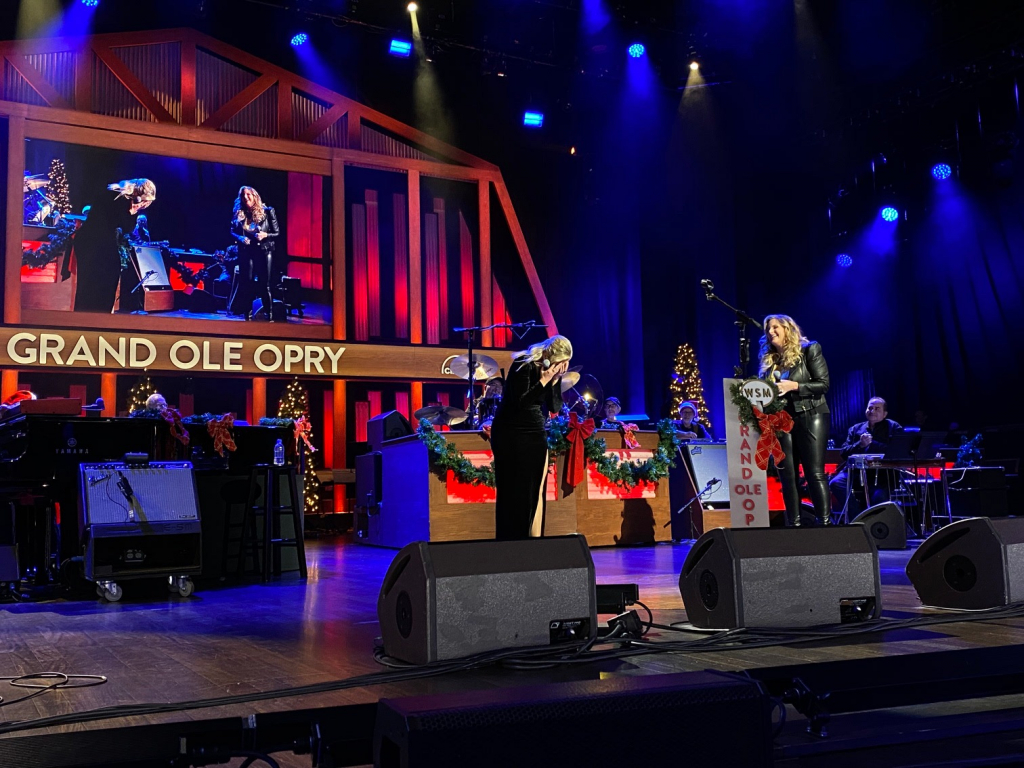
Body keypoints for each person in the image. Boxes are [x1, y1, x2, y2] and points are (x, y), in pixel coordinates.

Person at [490, 335, 572, 540]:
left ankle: (533, 538)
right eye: (560, 362)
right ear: (550, 356)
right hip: (510, 432)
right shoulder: (523, 364)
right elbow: (521, 402)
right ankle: (511, 539)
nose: (562, 367)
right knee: (513, 490)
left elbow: (554, 406)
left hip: (534, 432)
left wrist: (554, 380)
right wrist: (543, 380)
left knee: (534, 488)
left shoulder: (551, 373)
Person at [759, 314, 830, 526]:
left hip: (811, 414)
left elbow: (823, 384)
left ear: (787, 328)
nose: (770, 331)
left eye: (775, 327)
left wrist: (795, 386)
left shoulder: (809, 349)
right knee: (787, 475)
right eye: (768, 329)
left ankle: (824, 524)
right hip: (781, 420)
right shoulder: (770, 361)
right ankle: (794, 525)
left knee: (813, 473)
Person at [74, 178, 156, 313]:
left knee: (88, 284)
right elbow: (126, 227)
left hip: (90, 240)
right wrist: (133, 211)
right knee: (103, 281)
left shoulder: (114, 194)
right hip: (98, 242)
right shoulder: (122, 200)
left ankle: (85, 316)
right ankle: (98, 315)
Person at [830, 397, 904, 518]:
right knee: (835, 483)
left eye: (877, 408)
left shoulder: (893, 427)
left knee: (879, 496)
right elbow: (843, 452)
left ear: (885, 414)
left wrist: (872, 443)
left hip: (883, 475)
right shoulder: (855, 429)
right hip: (856, 472)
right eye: (870, 408)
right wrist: (860, 445)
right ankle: (858, 517)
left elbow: (897, 451)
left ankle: (873, 522)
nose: (872, 411)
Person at [230, 186, 279, 321]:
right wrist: (240, 238)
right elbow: (232, 231)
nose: (246, 198)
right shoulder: (239, 213)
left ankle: (269, 315)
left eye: (248, 195)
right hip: (247, 251)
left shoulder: (267, 211)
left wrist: (265, 235)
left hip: (263, 250)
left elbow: (277, 232)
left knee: (264, 284)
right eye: (243, 196)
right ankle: (248, 315)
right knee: (247, 283)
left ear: (254, 196)